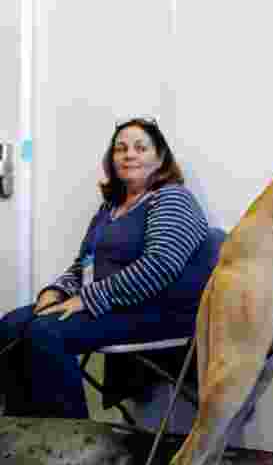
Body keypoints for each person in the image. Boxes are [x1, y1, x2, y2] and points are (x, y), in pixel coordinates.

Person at [0, 118, 211, 419]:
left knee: (45, 332)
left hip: (158, 310)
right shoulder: (110, 208)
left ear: (160, 157)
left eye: (141, 147)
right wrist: (56, 291)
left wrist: (87, 299)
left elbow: (160, 265)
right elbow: (84, 264)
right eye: (120, 149)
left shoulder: (172, 198)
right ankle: (24, 433)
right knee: (12, 324)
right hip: (111, 305)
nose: (129, 154)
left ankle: (71, 445)